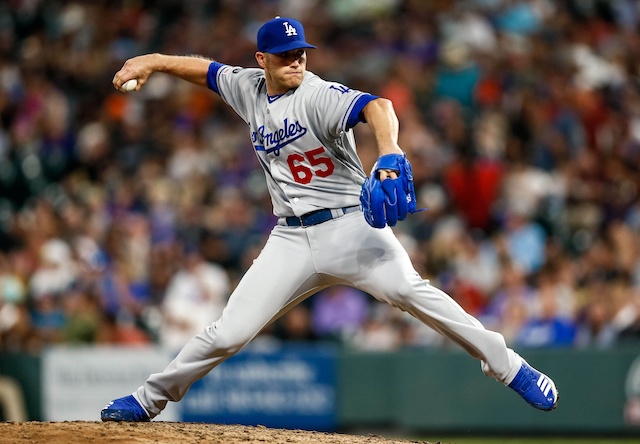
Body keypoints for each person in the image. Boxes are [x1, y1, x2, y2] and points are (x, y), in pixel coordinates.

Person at [101, 17, 558, 422]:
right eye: (284, 56)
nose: (296, 61)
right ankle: (148, 400)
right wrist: (155, 60)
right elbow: (208, 72)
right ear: (262, 59)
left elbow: (378, 107)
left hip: (351, 227)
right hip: (291, 238)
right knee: (228, 333)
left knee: (410, 291)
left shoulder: (317, 95)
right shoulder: (248, 87)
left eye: (300, 52)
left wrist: (391, 150)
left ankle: (509, 366)